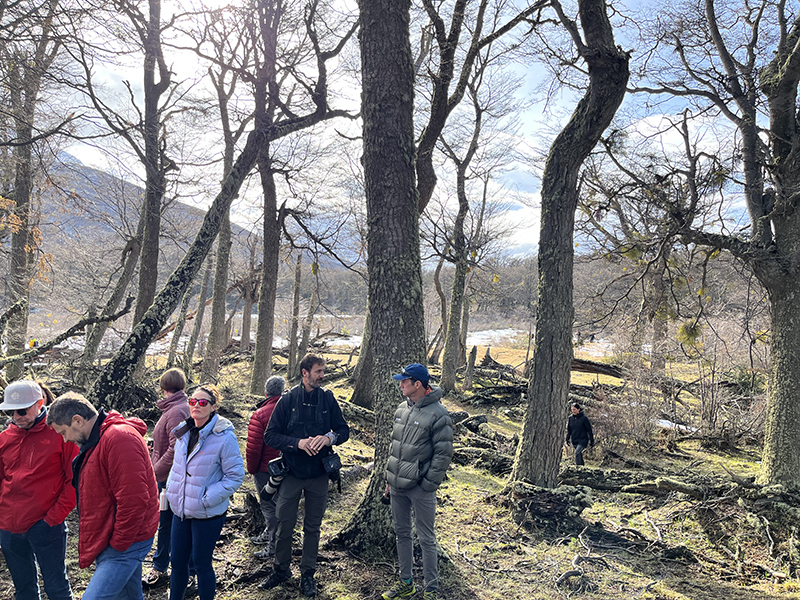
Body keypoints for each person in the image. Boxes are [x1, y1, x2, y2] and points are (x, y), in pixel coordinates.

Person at [47, 392, 159, 600]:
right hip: (112, 538)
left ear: (77, 420)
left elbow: (134, 500)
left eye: (63, 432)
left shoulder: (119, 438)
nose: (66, 439)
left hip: (125, 542)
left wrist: (118, 544)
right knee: (129, 596)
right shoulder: (98, 440)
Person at [260, 354, 350, 597]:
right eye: (318, 371)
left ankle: (307, 575)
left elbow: (344, 430)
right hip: (291, 473)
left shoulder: (327, 399)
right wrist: (298, 444)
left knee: (313, 526)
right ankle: (280, 570)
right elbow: (270, 436)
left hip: (320, 474)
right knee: (284, 524)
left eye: (323, 371)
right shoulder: (287, 400)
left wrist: (329, 438)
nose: (322, 375)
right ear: (304, 372)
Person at [165, 384, 244, 600]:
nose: (196, 406)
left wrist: (206, 499)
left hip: (207, 514)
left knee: (201, 564)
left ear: (214, 406)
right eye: (193, 401)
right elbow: (177, 468)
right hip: (180, 511)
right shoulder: (183, 431)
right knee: (178, 563)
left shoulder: (224, 437)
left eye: (202, 402)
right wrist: (171, 494)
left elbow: (235, 476)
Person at [0, 380, 78, 600]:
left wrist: (51, 520)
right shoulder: (4, 439)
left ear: (40, 403)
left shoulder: (60, 434)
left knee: (56, 587)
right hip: (9, 527)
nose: (16, 416)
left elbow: (73, 481)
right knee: (24, 589)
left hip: (46, 525)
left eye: (22, 410)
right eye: (11, 411)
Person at [382, 363, 453, 600]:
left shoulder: (439, 414)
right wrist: (389, 480)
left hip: (421, 489)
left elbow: (443, 455)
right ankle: (406, 583)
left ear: (418, 384)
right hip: (397, 487)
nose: (400, 384)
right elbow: (395, 449)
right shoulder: (402, 409)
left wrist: (427, 485)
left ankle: (431, 591)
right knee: (402, 534)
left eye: (404, 381)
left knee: (426, 538)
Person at [143, 368, 192, 586]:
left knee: (173, 522)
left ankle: (179, 570)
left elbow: (176, 448)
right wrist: (155, 446)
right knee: (166, 521)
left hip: (172, 478)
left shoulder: (175, 411)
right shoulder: (175, 408)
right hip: (168, 476)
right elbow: (169, 442)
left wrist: (156, 471)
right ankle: (162, 566)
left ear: (164, 388)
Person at [245, 375, 285, 559]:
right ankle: (271, 535)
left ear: (266, 392)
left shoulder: (260, 414)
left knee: (269, 505)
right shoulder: (289, 410)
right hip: (287, 467)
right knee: (280, 504)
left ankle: (273, 546)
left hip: (265, 469)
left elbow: (253, 448)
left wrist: (252, 469)